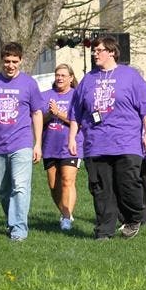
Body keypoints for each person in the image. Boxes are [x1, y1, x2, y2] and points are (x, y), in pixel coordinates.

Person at [68, 35, 146, 240]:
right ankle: (104, 231)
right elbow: (76, 112)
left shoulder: (130, 76)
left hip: (126, 142)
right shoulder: (88, 79)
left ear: (111, 52)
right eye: (94, 51)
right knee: (101, 189)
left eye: (99, 50)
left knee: (127, 184)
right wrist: (72, 137)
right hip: (96, 143)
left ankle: (134, 217)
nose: (95, 54)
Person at [0, 42, 44, 242]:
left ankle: (19, 231)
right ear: (2, 61)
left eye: (14, 61)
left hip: (21, 144)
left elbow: (37, 113)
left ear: (20, 61)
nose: (10, 65)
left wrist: (37, 144)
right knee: (3, 191)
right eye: (7, 61)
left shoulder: (29, 84)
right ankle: (12, 222)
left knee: (20, 187)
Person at [42, 63, 82, 231]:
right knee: (54, 185)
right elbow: (37, 121)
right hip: (49, 145)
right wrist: (49, 114)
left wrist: (58, 113)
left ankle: (66, 217)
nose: (59, 78)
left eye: (63, 75)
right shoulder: (45, 96)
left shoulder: (77, 96)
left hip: (71, 145)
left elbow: (79, 121)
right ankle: (65, 212)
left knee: (67, 181)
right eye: (57, 75)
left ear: (71, 78)